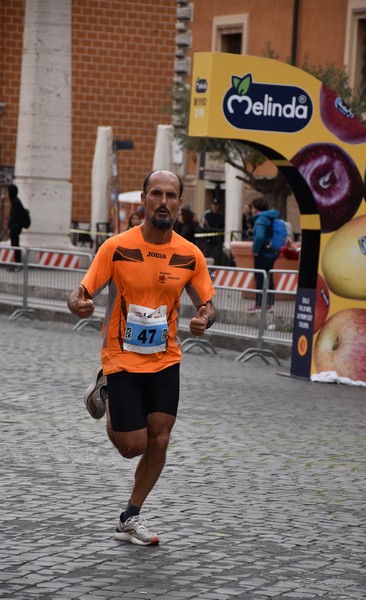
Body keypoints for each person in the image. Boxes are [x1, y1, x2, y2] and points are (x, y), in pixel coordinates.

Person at [67, 169, 216, 546]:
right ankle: (105, 390)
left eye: (171, 195)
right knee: (132, 446)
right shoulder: (116, 247)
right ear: (144, 200)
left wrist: (204, 319)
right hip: (120, 357)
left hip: (165, 358)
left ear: (180, 204)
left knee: (160, 440)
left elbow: (208, 306)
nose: (163, 201)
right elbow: (80, 291)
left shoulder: (189, 255)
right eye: (156, 194)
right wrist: (78, 303)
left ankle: (130, 516)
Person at [249, 196, 282, 313]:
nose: (251, 210)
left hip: (262, 253)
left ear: (256, 208)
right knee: (269, 277)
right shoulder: (271, 217)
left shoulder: (260, 219)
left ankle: (259, 304)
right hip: (272, 252)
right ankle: (269, 304)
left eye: (252, 207)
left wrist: (256, 250)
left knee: (259, 278)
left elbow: (259, 236)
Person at [202, 198, 224, 264]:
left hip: (217, 240)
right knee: (206, 255)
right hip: (207, 239)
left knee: (216, 257)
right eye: (213, 205)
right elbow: (204, 227)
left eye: (216, 205)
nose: (215, 207)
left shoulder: (221, 216)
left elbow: (221, 228)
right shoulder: (207, 215)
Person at [7, 184, 25, 268]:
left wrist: (11, 224)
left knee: (15, 246)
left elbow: (15, 216)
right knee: (15, 245)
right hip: (16, 227)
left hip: (15, 227)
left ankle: (17, 264)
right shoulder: (16, 201)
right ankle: (16, 263)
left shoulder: (15, 202)